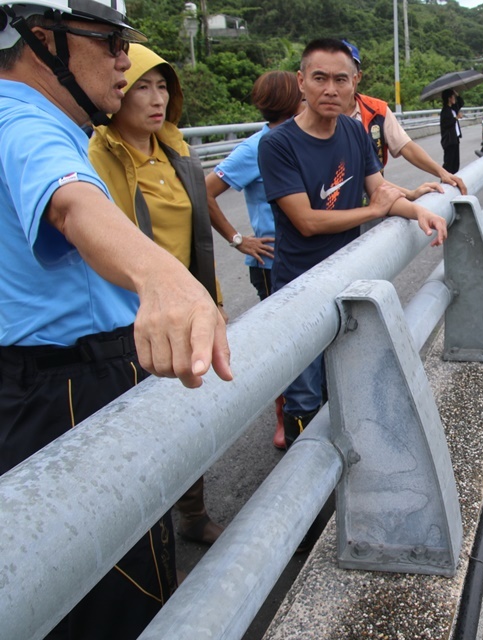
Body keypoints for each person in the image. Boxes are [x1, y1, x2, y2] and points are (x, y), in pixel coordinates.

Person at [0, 0, 231, 637]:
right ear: (43, 39)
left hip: (63, 374)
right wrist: (161, 277)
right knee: (107, 586)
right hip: (67, 384)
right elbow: (72, 203)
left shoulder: (51, 122)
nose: (124, 58)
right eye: (107, 40)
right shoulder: (22, 120)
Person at [259, 38, 447, 447]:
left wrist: (418, 211)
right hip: (300, 287)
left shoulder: (352, 130)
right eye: (320, 78)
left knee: (346, 378)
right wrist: (373, 212)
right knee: (304, 393)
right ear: (301, 82)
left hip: (349, 280)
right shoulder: (278, 144)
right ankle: (306, 494)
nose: (331, 89)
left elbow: (378, 190)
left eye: (340, 79)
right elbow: (307, 222)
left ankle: (346, 469)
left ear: (355, 82)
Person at [87, 43, 225, 546]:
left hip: (182, 304)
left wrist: (212, 297)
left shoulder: (175, 151)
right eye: (141, 86)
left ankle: (190, 511)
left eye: (162, 86)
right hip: (124, 308)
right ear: (116, 95)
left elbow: (197, 238)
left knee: (187, 411)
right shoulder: (97, 154)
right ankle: (135, 529)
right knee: (133, 424)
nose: (155, 98)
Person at [205, 70, 301, 450]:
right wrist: (238, 239)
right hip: (270, 262)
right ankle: (283, 416)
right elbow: (205, 191)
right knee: (282, 343)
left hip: (306, 257)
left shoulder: (304, 138)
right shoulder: (256, 146)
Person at [340, 40, 466, 195]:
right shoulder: (316, 117)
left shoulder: (377, 110)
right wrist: (409, 195)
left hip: (376, 201)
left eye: (344, 74)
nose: (336, 83)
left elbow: (406, 147)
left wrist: (442, 173)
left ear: (357, 77)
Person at [439, 87, 463, 174]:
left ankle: (453, 180)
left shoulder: (453, 108)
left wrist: (457, 94)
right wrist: (456, 118)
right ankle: (444, 182)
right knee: (448, 164)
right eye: (453, 96)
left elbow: (461, 103)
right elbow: (446, 124)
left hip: (455, 139)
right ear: (449, 98)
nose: (454, 98)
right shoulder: (445, 111)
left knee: (456, 163)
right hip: (449, 141)